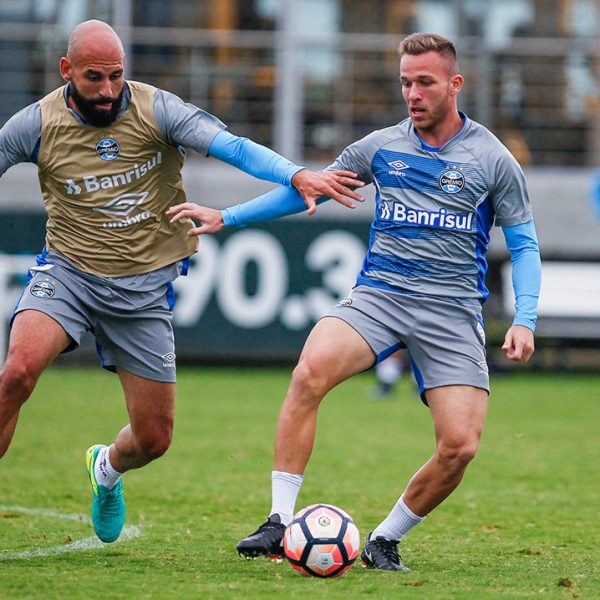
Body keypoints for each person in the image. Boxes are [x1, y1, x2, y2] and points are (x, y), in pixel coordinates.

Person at [167, 33, 541, 570]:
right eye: (405, 83)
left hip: (452, 312)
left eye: (425, 83)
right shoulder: (381, 146)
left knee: (460, 446)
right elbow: (308, 188)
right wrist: (228, 217)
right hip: (380, 296)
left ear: (455, 84)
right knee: (308, 373)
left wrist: (524, 318)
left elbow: (524, 244)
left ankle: (384, 540)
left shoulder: (493, 159)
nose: (412, 94)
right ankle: (277, 522)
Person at [0, 20, 364, 544]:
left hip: (144, 289)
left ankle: (106, 469)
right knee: (15, 373)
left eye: (116, 77)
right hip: (68, 273)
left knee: (153, 439)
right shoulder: (34, 124)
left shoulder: (157, 110)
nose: (107, 90)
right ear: (66, 71)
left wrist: (294, 174)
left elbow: (234, 147)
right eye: (94, 78)